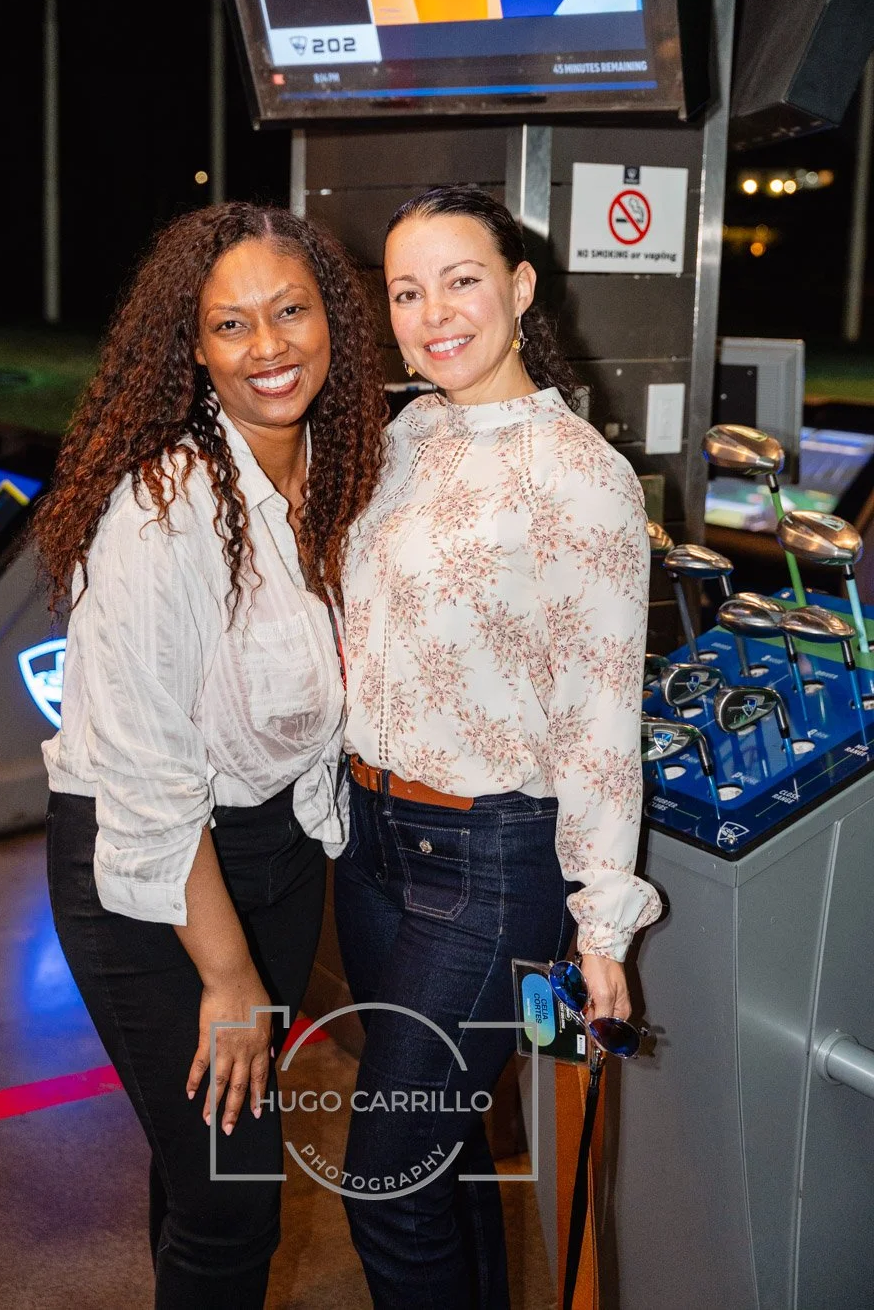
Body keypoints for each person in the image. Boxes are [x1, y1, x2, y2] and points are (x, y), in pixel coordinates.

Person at [35, 202, 385, 1309]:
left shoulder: (346, 469)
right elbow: (148, 778)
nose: (269, 347)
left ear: (333, 315)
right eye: (231, 325)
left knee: (195, 1171)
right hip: (148, 875)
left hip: (276, 852)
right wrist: (228, 977)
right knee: (236, 1200)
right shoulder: (160, 509)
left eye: (291, 311)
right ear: (192, 347)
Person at [336, 186, 662, 1309]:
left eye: (461, 281)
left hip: (487, 860)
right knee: (439, 1155)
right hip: (371, 843)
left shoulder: (580, 477)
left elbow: (599, 714)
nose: (434, 314)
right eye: (407, 291)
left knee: (381, 1177)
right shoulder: (406, 431)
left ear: (520, 289)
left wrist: (600, 924)